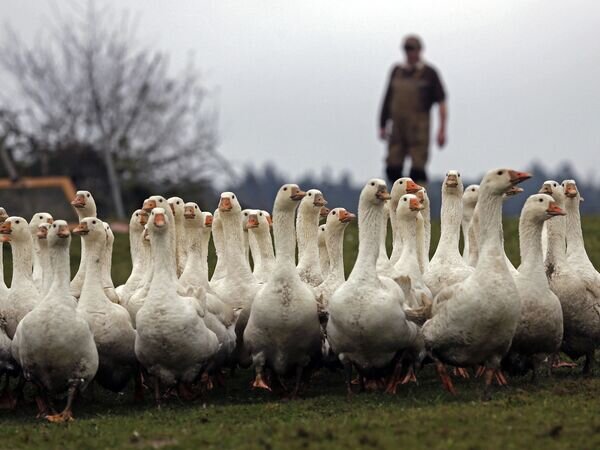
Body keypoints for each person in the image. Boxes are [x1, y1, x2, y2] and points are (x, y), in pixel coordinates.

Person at [379, 35, 447, 185]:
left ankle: (419, 204)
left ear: (419, 50)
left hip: (419, 129)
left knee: (417, 171)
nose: (409, 53)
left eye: (412, 49)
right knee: (393, 168)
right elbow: (387, 99)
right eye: (406, 49)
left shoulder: (429, 73)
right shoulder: (396, 71)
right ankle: (396, 202)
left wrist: (442, 130)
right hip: (397, 128)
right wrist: (382, 124)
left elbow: (442, 102)